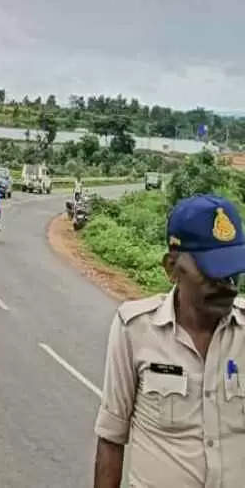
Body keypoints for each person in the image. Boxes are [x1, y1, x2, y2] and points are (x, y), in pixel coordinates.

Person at [93, 195, 245, 488]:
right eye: (214, 272)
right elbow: (111, 438)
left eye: (234, 271)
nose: (227, 285)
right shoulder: (135, 330)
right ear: (172, 268)